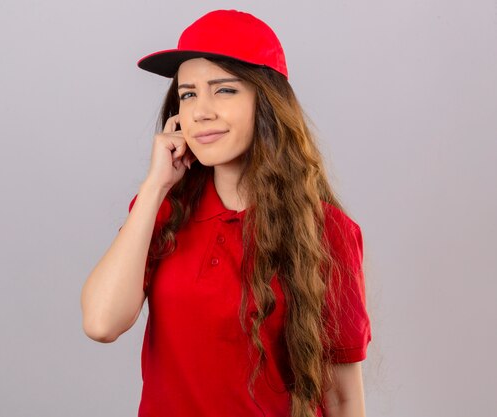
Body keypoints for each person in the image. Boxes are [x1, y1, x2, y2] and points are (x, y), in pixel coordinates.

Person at [81, 9, 372, 417]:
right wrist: (154, 187)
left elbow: (342, 398)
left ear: (266, 102)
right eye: (188, 94)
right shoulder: (163, 210)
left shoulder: (326, 231)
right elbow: (100, 322)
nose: (201, 111)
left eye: (224, 90)